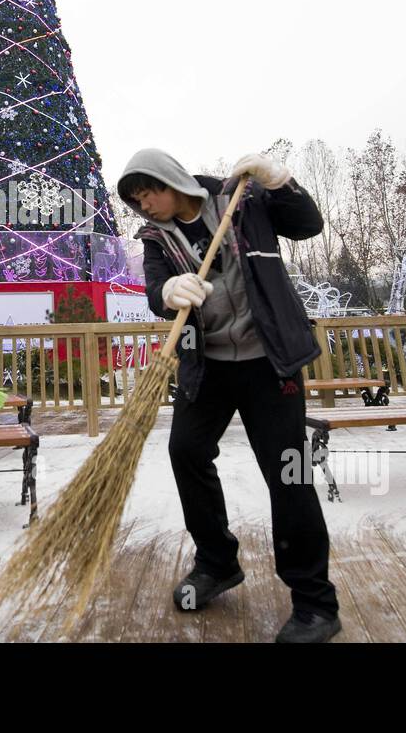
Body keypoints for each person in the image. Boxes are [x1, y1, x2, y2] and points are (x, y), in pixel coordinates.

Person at [116, 148, 342, 643]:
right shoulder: (157, 238)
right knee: (186, 452)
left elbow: (307, 225)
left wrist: (280, 181)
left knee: (288, 472)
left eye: (148, 191)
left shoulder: (241, 199)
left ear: (171, 180)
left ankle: (315, 603)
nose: (144, 206)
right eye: (135, 201)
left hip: (269, 361)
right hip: (209, 367)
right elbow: (156, 291)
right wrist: (170, 289)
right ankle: (217, 564)